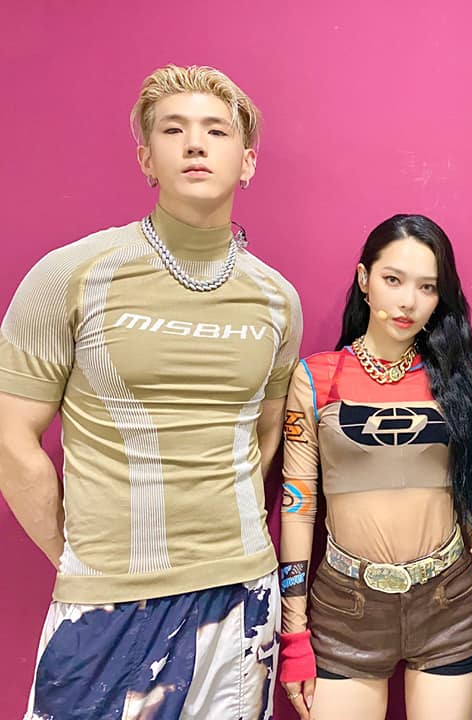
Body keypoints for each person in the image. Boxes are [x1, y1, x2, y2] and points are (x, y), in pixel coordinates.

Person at [0, 64, 302, 719]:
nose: (195, 144)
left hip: (240, 595)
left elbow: (262, 437)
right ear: (146, 159)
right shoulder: (71, 275)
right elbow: (11, 438)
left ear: (247, 161)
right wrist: (78, 560)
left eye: (215, 130)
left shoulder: (278, 299)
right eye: (173, 129)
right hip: (105, 601)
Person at [277, 213, 472, 720]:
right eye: (393, 279)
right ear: (364, 279)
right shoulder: (316, 377)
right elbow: (297, 506)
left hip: (449, 601)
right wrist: (294, 633)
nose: (408, 301)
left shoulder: (456, 379)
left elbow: (471, 499)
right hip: (346, 608)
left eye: (427, 287)